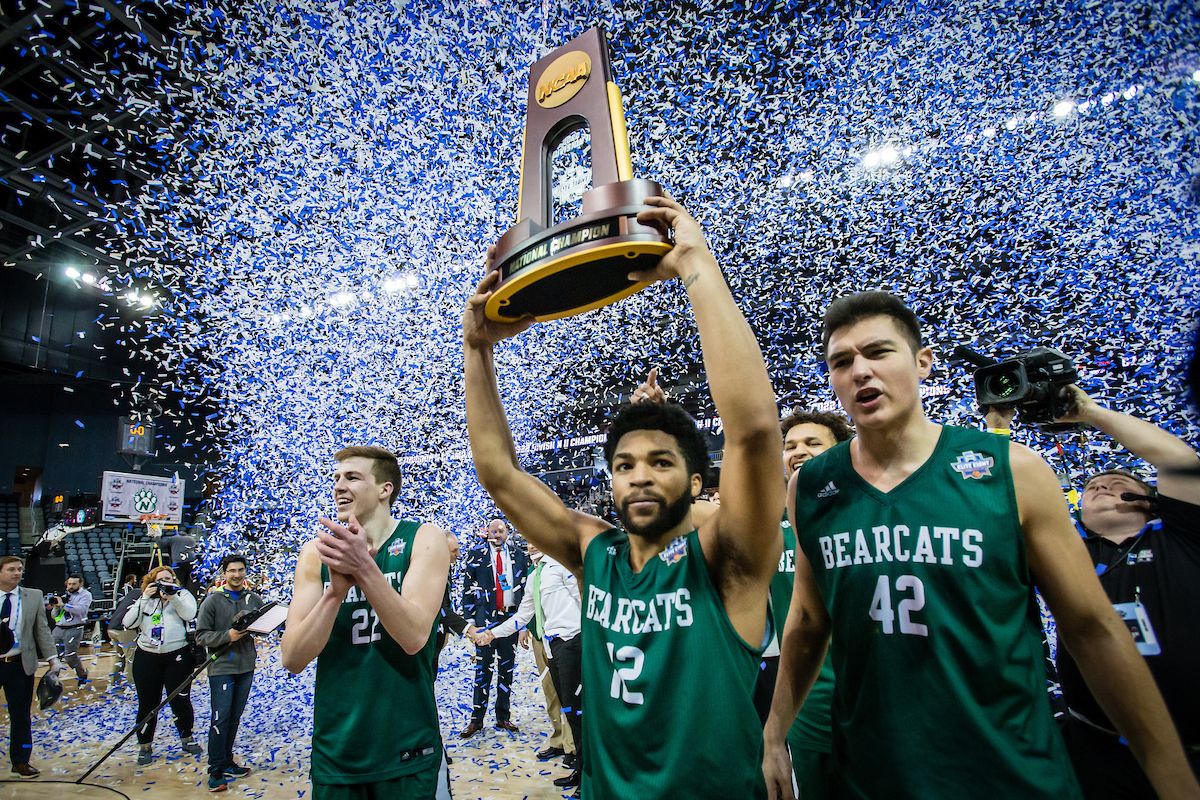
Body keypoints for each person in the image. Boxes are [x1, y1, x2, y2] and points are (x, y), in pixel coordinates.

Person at [762, 291, 1200, 799]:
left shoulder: (1013, 469)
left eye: (879, 352)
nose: (860, 370)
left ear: (923, 362)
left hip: (1006, 770)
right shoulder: (812, 486)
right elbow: (810, 620)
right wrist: (775, 729)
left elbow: (1092, 628)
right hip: (872, 771)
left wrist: (1169, 771)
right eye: (842, 361)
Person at [464, 195, 784, 798]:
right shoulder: (596, 552)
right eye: (624, 463)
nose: (639, 475)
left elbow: (754, 432)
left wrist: (696, 267)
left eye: (661, 462)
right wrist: (478, 349)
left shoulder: (728, 556)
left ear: (697, 479)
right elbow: (499, 473)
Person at [1046, 385, 1200, 795]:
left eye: (1115, 483)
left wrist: (1091, 413)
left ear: (1150, 502)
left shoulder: (1182, 537)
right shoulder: (1065, 548)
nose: (1099, 487)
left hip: (1191, 750)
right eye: (1093, 486)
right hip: (1094, 747)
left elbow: (1181, 462)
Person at [281, 445, 452, 800]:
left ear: (385, 489)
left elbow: (414, 636)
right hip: (337, 748)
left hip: (407, 743)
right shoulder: (315, 554)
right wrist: (334, 594)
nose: (339, 486)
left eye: (353, 477)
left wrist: (364, 569)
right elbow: (293, 658)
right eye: (337, 478)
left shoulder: (423, 538)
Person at [475, 540, 583, 791]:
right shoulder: (535, 576)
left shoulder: (562, 566)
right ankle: (580, 769)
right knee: (568, 709)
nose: (531, 545)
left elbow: (583, 600)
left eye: (536, 541)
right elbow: (522, 616)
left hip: (573, 643)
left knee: (578, 713)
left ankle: (587, 774)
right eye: (528, 543)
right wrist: (492, 634)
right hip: (552, 646)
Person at [195, 554, 266, 792]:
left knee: (234, 717)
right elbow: (201, 635)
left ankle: (227, 761)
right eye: (232, 571)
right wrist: (228, 636)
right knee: (220, 718)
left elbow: (262, 628)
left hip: (246, 666)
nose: (236, 575)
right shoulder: (212, 601)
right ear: (223, 573)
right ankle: (215, 769)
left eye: (241, 570)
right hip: (221, 667)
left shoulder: (253, 598)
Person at [122, 564, 201, 765]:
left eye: (168, 579)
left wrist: (172, 596)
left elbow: (190, 614)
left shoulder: (182, 595)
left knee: (180, 700)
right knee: (147, 703)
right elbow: (128, 623)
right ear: (151, 582)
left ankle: (187, 737)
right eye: (160, 580)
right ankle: (145, 745)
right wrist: (145, 598)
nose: (164, 583)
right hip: (147, 656)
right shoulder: (143, 599)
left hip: (178, 655)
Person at [457, 518, 530, 737]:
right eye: (493, 531)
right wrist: (470, 624)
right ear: (487, 533)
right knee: (483, 672)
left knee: (506, 671)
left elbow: (525, 591)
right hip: (484, 621)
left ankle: (503, 717)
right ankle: (476, 720)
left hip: (510, 619)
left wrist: (523, 626)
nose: (497, 535)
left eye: (501, 531)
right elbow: (467, 590)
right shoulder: (476, 554)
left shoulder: (519, 554)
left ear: (508, 532)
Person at [0, 556, 63, 779]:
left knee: (21, 716)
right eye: (11, 569)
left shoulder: (33, 596)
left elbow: (42, 630)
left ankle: (20, 762)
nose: (16, 573)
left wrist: (53, 659)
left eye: (19, 569)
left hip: (19, 664)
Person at [49, 573, 92, 684]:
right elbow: (54, 616)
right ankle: (53, 681)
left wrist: (63, 605)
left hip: (75, 628)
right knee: (55, 656)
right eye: (69, 584)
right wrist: (56, 607)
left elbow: (80, 610)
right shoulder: (63, 595)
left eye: (74, 584)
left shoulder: (86, 595)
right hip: (59, 628)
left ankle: (82, 675)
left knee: (70, 656)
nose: (70, 586)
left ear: (80, 584)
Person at [107, 573, 141, 687]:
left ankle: (114, 684)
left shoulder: (133, 592)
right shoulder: (144, 596)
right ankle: (132, 686)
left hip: (111, 627)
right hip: (124, 630)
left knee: (119, 657)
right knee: (131, 658)